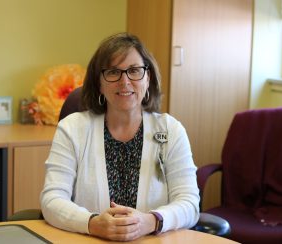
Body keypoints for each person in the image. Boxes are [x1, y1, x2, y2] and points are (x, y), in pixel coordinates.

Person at [40, 32, 200, 241]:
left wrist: (150, 221)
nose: (124, 81)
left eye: (134, 70)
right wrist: (93, 223)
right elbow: (51, 199)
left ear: (147, 77)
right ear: (99, 82)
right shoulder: (72, 128)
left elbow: (189, 202)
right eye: (114, 72)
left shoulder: (171, 130)